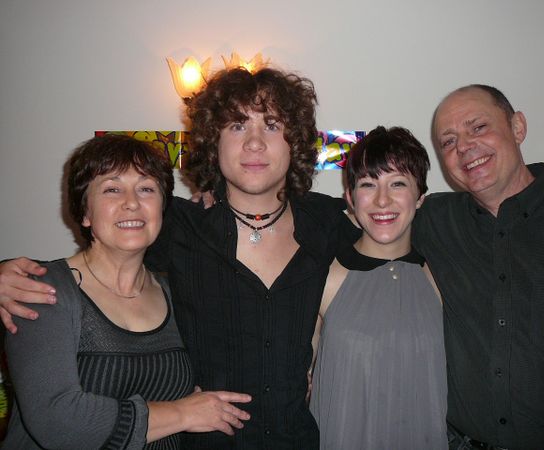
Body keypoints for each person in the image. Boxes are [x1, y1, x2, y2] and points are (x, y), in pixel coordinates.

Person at [0, 67, 350, 449]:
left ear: (294, 141)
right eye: (236, 126)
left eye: (271, 125)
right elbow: (104, 246)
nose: (253, 143)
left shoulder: (328, 222)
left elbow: (395, 245)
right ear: (213, 143)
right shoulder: (178, 226)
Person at [2, 134, 251, 449]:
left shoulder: (177, 294)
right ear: (85, 213)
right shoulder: (42, 290)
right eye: (112, 189)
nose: (132, 202)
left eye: (146, 189)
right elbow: (57, 420)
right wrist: (181, 414)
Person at [414, 84, 544, 449]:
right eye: (448, 142)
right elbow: (362, 217)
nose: (464, 146)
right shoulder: (435, 218)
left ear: (518, 127)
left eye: (478, 127)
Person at [309, 126, 447, 449]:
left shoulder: (440, 277)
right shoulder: (325, 277)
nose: (382, 200)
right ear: (350, 198)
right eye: (368, 185)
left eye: (397, 183)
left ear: (420, 196)